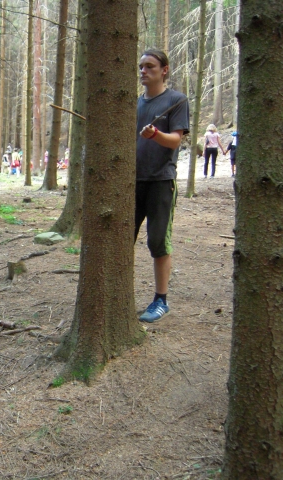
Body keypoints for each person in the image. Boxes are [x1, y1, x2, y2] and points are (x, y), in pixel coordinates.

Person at [136, 48, 190, 323]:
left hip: (161, 180)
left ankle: (161, 300)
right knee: (121, 237)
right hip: (132, 181)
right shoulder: (135, 103)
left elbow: (176, 139)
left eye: (150, 66)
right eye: (141, 67)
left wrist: (156, 134)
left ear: (164, 70)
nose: (143, 71)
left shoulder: (176, 100)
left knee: (157, 241)